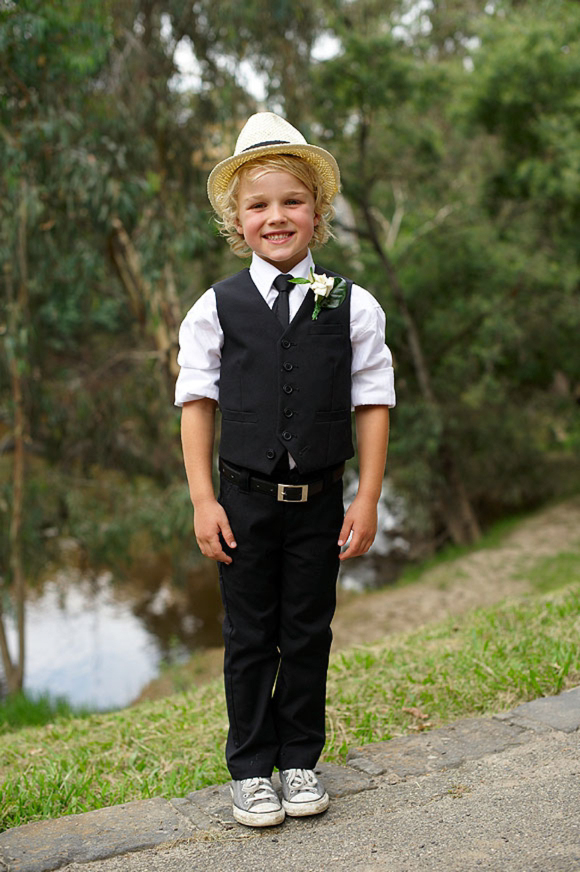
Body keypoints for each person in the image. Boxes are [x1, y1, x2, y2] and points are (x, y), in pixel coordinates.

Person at [175, 112, 395, 828]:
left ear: (317, 212)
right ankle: (250, 768)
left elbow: (373, 402)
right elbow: (196, 403)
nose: (277, 216)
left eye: (292, 201)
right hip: (241, 500)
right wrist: (204, 499)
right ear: (238, 221)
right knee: (248, 635)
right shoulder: (215, 307)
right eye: (259, 205)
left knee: (308, 629)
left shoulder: (353, 304)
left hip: (321, 502)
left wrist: (367, 498)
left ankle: (299, 758)